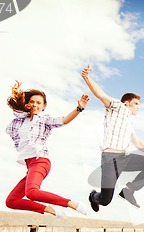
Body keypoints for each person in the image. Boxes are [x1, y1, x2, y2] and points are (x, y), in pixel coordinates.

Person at [81, 64, 144, 212]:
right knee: (105, 200)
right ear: (126, 103)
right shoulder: (118, 107)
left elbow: (137, 142)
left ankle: (128, 190)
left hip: (125, 158)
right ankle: (93, 196)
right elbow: (101, 95)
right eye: (136, 104)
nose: (138, 107)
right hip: (110, 159)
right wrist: (87, 78)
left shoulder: (129, 123)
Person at [5, 81, 89, 219]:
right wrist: (16, 91)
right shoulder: (20, 121)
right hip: (30, 165)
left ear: (44, 106)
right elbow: (17, 109)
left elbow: (64, 120)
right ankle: (50, 210)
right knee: (11, 201)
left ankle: (72, 204)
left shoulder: (45, 120)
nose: (35, 105)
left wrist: (79, 108)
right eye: (32, 102)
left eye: (39, 103)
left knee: (31, 192)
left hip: (40, 161)